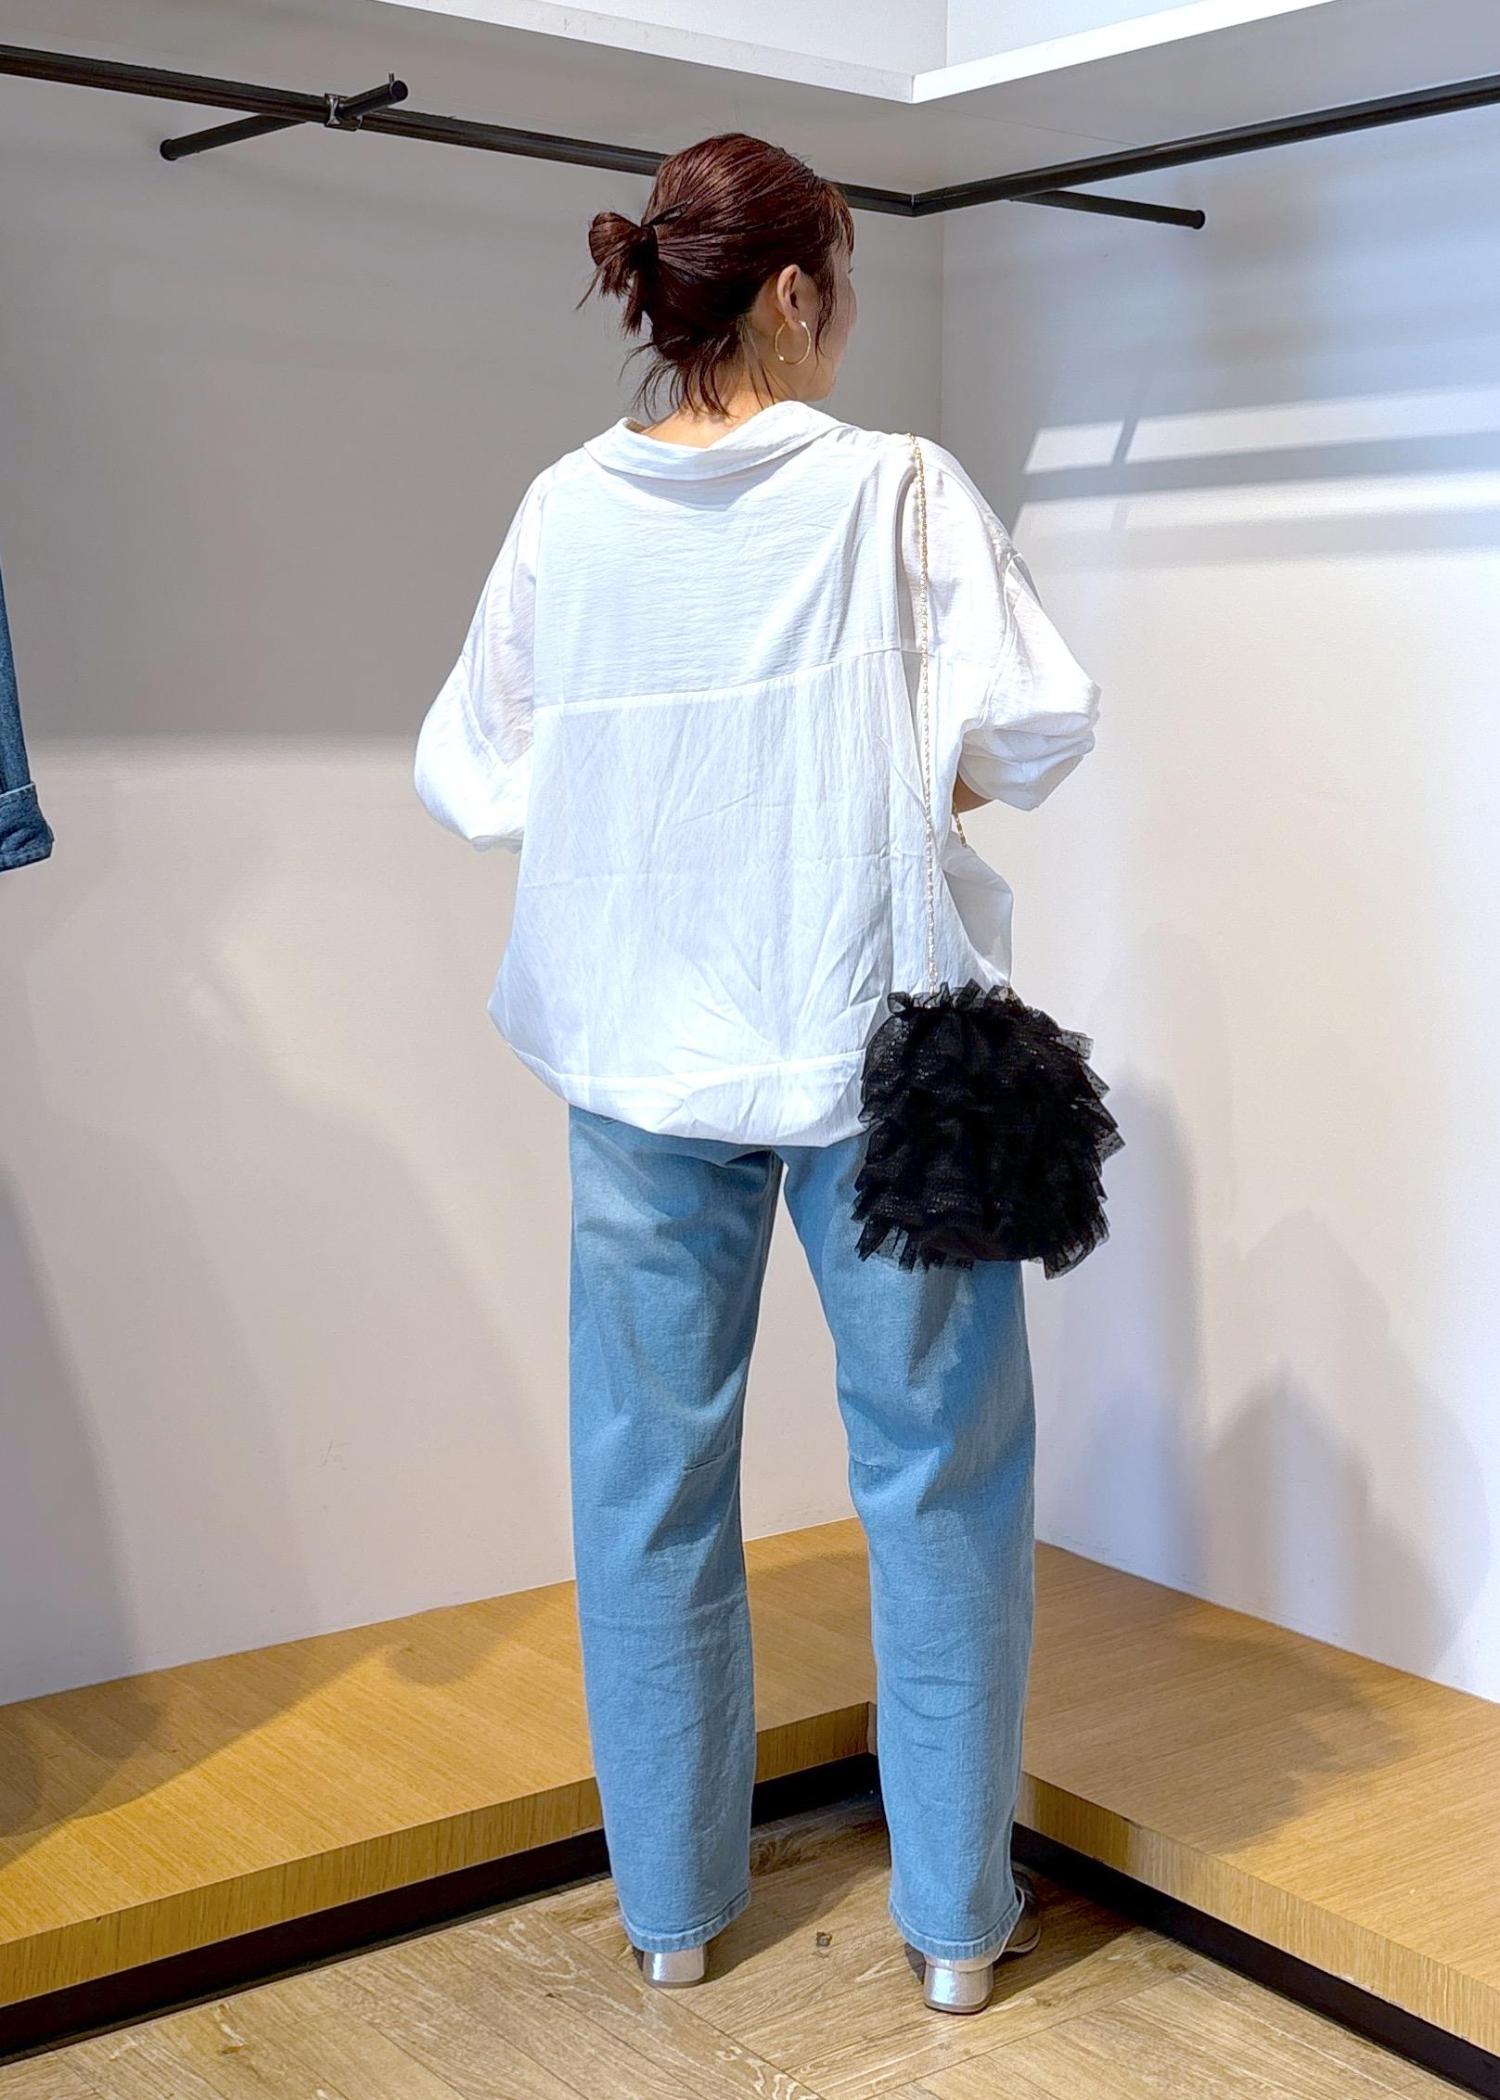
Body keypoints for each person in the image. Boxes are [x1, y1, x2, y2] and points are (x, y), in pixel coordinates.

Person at [412, 130, 1101, 2016]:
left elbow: (470, 769)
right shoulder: (895, 488)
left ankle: (672, 1916)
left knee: (646, 1483)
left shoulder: (566, 511)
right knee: (942, 1481)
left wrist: (660, 800)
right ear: (795, 292)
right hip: (881, 1065)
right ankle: (953, 1932)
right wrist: (887, 782)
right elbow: (1041, 720)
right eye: (842, 280)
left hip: (637, 1067)